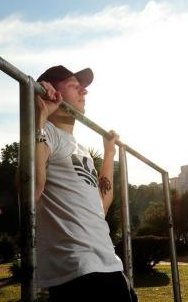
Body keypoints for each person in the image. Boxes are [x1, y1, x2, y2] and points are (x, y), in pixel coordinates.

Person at [35, 65, 137, 301]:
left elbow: (101, 206)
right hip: (79, 271)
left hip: (110, 266)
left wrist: (109, 153)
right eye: (74, 86)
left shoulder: (79, 148)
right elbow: (31, 191)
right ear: (51, 93)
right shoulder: (46, 133)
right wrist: (39, 118)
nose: (84, 92)